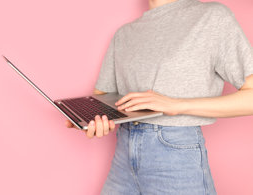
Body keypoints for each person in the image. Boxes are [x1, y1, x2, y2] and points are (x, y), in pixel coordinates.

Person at [65, 0, 253, 194]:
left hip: (175, 155)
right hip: (123, 153)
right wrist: (90, 119)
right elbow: (103, 97)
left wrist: (177, 105)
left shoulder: (212, 16)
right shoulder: (123, 34)